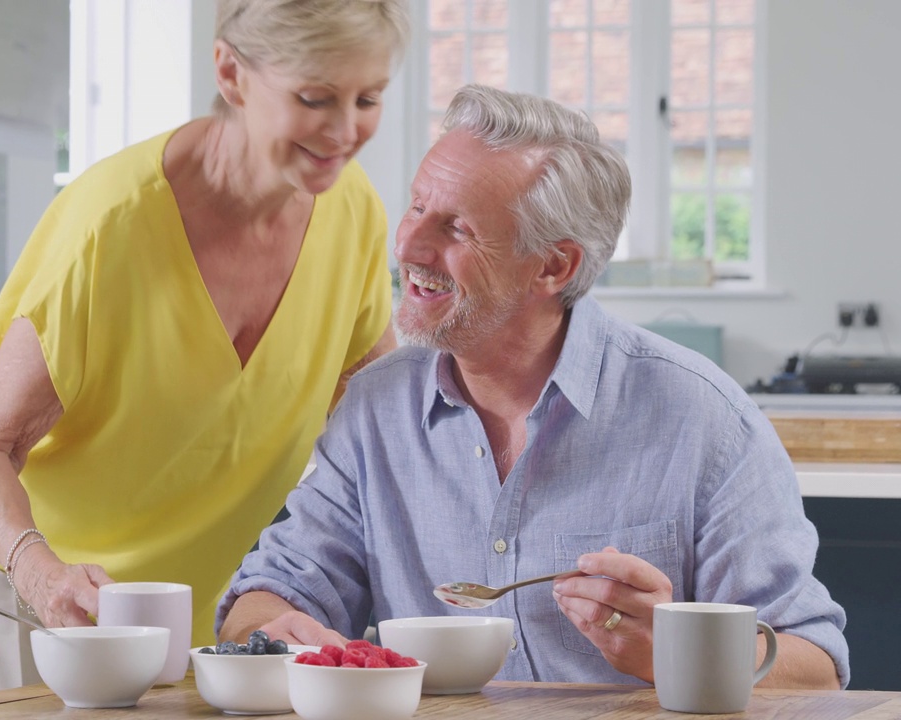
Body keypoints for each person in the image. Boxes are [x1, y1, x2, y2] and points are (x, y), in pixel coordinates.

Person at [216, 84, 849, 690]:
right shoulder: (375, 410)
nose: (408, 244)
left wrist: (683, 651)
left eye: (457, 228)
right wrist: (269, 630)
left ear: (554, 265)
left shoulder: (704, 419)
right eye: (416, 206)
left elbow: (815, 664)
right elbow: (273, 590)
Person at [0, 0, 411, 696]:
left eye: (369, 98)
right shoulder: (113, 227)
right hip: (26, 557)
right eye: (314, 98)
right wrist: (40, 575)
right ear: (232, 74)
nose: (346, 129)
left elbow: (375, 416)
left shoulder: (353, 211)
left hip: (192, 582)